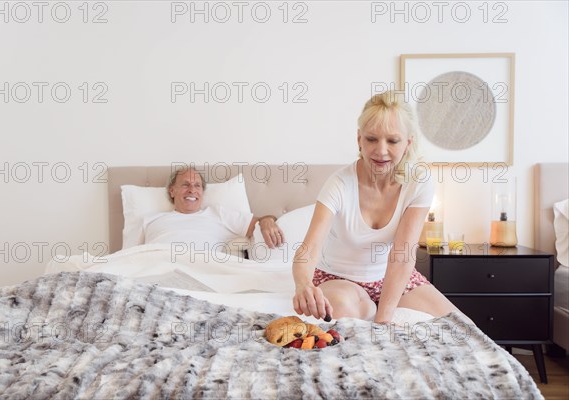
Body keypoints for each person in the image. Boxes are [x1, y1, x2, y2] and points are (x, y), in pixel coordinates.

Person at [292, 91, 459, 324]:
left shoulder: (419, 182)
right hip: (340, 279)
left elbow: (402, 256)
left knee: (463, 328)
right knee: (348, 313)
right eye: (371, 139)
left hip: (392, 277)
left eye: (392, 140)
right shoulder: (339, 184)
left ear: (408, 143)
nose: (381, 151)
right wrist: (302, 284)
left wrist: (384, 321)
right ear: (359, 139)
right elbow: (309, 248)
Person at [144, 167, 284, 256]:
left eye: (197, 185)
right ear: (172, 190)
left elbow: (259, 222)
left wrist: (267, 221)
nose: (192, 190)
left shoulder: (218, 214)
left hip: (201, 274)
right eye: (185, 184)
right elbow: (132, 256)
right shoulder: (151, 220)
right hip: (154, 274)